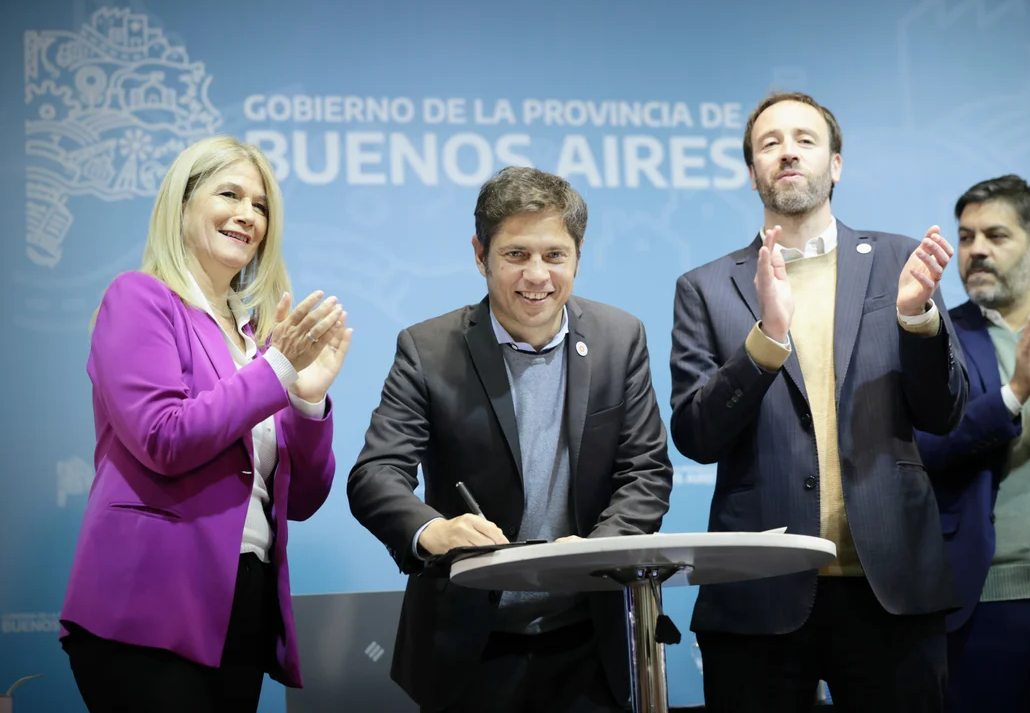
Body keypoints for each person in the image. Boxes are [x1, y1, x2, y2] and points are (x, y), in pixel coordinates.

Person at [668, 91, 969, 712]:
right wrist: (767, 340)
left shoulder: (899, 261)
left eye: (805, 140)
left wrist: (916, 320)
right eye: (770, 143)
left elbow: (946, 412)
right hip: (759, 591)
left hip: (891, 585)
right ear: (752, 172)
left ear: (835, 164)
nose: (788, 153)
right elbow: (696, 435)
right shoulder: (706, 286)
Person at [347, 166, 674, 713]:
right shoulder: (428, 350)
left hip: (592, 642)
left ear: (579, 254)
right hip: (471, 648)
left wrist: (596, 552)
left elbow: (646, 471)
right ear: (480, 255)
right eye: (516, 255)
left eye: (554, 255)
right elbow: (376, 473)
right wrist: (433, 530)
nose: (537, 276)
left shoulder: (621, 338)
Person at [59, 135, 353, 712]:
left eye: (261, 205)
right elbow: (164, 438)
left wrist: (308, 402)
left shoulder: (255, 342)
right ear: (184, 203)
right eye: (230, 194)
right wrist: (276, 369)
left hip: (242, 604)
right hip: (149, 604)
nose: (248, 215)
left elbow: (301, 500)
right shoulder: (140, 299)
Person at [915, 175, 1030, 712]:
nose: (976, 250)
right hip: (979, 602)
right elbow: (924, 450)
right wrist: (1015, 393)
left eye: (995, 235)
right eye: (965, 237)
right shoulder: (935, 337)